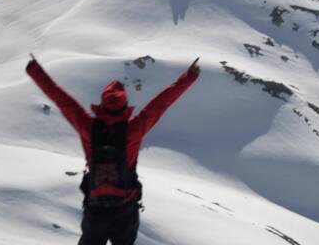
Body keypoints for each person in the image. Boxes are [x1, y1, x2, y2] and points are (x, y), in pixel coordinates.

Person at [26, 54, 200, 245]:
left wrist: (35, 70)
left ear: (102, 105)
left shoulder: (89, 127)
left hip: (96, 208)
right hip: (125, 208)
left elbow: (62, 100)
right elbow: (161, 104)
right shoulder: (133, 130)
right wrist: (189, 76)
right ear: (124, 106)